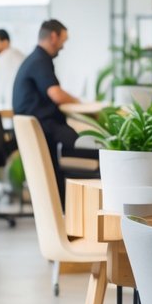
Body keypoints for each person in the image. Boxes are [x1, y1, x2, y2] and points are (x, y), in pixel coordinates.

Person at [13, 19, 95, 201]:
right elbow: (56, 94)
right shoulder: (40, 60)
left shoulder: (34, 59)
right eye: (63, 41)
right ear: (53, 37)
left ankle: (67, 207)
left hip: (41, 128)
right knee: (97, 151)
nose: (63, 47)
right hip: (46, 126)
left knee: (81, 147)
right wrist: (79, 102)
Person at [0, 29, 25, 108]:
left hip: (8, 103)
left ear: (5, 42)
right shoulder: (18, 54)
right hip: (18, 102)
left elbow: (0, 86)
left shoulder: (6, 57)